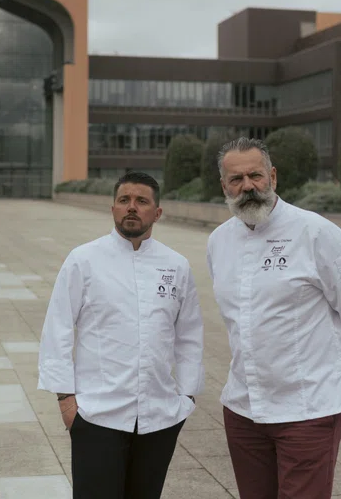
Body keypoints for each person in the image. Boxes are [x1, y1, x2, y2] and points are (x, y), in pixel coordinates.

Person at [207, 137, 341, 499]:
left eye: (255, 175)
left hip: (307, 406)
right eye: (236, 180)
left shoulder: (315, 232)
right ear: (224, 186)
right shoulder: (218, 242)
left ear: (273, 176)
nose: (247, 186)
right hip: (243, 408)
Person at [38, 171, 205, 499]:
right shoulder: (84, 260)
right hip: (97, 414)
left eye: (142, 201)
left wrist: (186, 397)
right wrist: (66, 401)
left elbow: (189, 334)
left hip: (159, 417)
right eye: (124, 200)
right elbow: (57, 328)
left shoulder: (177, 265)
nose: (132, 207)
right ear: (112, 208)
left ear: (157, 213)